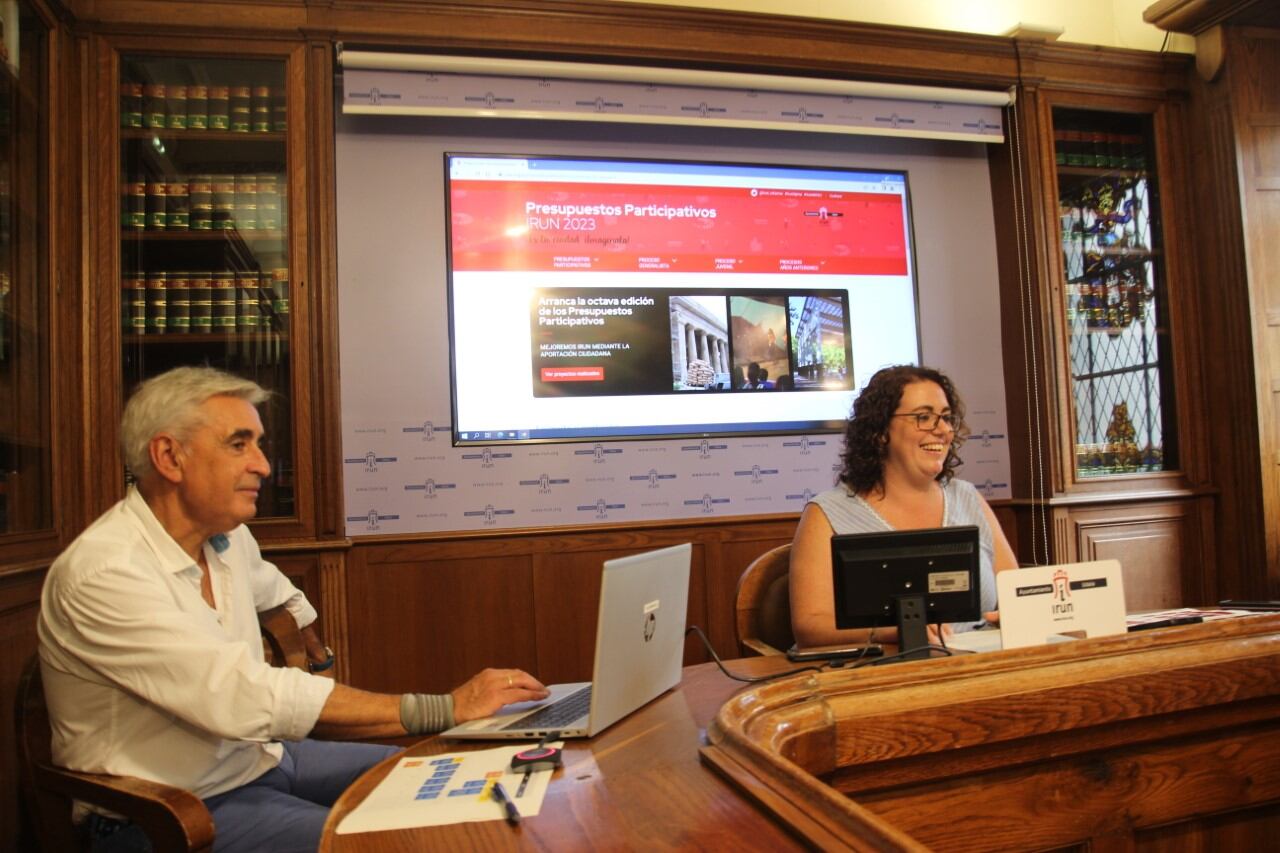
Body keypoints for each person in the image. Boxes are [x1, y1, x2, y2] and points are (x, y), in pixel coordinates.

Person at [37, 367, 549, 853]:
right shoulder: (105, 571)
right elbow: (240, 698)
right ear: (170, 457)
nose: (262, 464)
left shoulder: (228, 538)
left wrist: (310, 652)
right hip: (167, 810)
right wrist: (445, 708)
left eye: (259, 445)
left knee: (441, 780)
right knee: (400, 841)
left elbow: (281, 596)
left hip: (261, 759)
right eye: (239, 444)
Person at [789, 364, 1017, 649]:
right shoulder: (826, 513)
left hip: (976, 668)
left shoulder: (969, 498)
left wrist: (1013, 613)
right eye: (924, 417)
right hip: (878, 679)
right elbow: (809, 626)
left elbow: (1017, 593)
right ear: (880, 431)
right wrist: (894, 631)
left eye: (946, 418)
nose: (943, 430)